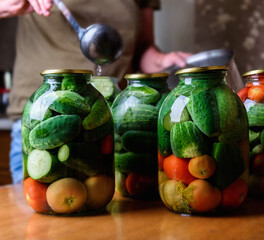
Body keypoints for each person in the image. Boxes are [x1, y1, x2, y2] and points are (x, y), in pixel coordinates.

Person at [1, 0, 191, 183]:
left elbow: (143, 47)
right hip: (40, 119)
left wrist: (161, 61)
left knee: (124, 210)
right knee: (42, 206)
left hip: (115, 124)